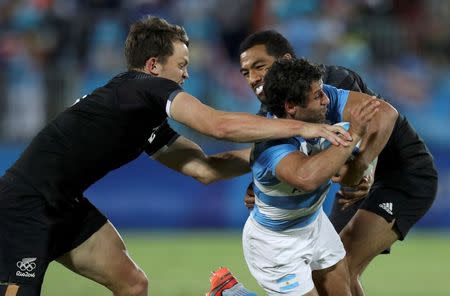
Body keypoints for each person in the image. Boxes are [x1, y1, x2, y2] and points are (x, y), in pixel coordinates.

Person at [0, 17, 354, 296]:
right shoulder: (139, 86)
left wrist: (271, 158)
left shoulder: (140, 115)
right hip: (23, 205)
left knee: (133, 284)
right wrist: (303, 129)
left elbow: (205, 169)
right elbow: (217, 125)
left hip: (66, 206)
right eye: (181, 64)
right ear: (154, 65)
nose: (186, 74)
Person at [239, 31, 438, 296]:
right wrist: (259, 186)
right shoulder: (272, 110)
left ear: (285, 60)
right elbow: (288, 154)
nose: (253, 78)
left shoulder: (331, 81)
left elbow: (374, 121)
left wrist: (363, 168)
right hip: (352, 187)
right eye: (246, 72)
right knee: (332, 273)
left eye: (259, 67)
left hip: (403, 177)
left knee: (343, 266)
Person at [242, 58, 379, 296]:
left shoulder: (323, 125)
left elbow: (381, 123)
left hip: (314, 225)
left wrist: (365, 171)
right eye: (318, 96)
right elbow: (307, 177)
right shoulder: (271, 146)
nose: (326, 100)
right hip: (276, 244)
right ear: (291, 106)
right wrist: (354, 133)